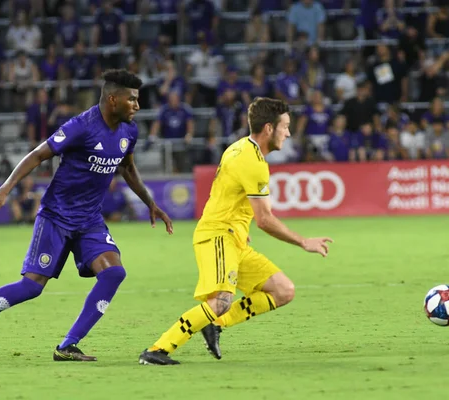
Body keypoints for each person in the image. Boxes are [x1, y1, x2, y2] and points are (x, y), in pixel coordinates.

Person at [0, 69, 173, 363]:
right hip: (57, 216)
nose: (137, 106)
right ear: (113, 99)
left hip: (88, 219)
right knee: (31, 287)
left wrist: (150, 202)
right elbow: (38, 155)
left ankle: (68, 345)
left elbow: (126, 168)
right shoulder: (81, 126)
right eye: (132, 100)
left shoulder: (129, 131)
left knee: (114, 273)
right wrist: (4, 190)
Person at [139, 97, 333, 365]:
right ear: (268, 128)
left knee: (283, 290)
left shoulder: (238, 148)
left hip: (235, 237)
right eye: (285, 127)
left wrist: (241, 223)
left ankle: (216, 324)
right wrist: (303, 242)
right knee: (220, 300)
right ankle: (158, 350)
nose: (288, 133)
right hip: (218, 236)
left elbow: (225, 192)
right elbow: (265, 219)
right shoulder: (253, 162)